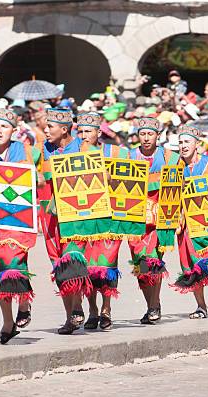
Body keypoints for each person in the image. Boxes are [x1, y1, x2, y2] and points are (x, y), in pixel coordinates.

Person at [0, 108, 41, 343]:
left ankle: (23, 302)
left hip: (19, 219)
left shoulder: (29, 151)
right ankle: (8, 322)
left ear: (14, 131)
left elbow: (47, 172)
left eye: (4, 126)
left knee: (13, 262)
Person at [39, 108, 93, 335]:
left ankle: (78, 307)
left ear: (64, 129)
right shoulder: (41, 151)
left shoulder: (85, 148)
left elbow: (105, 177)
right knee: (58, 264)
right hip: (50, 216)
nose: (45, 130)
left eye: (49, 126)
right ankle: (70, 316)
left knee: (72, 259)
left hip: (76, 216)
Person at [170, 125, 208, 318]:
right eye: (180, 142)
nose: (183, 146)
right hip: (185, 222)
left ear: (197, 144)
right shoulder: (174, 167)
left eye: (187, 142)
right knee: (193, 265)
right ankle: (201, 306)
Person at [128, 117, 180, 324]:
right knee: (140, 266)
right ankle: (152, 304)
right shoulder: (130, 156)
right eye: (143, 134)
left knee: (154, 261)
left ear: (158, 136)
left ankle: (153, 305)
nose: (146, 138)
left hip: (161, 220)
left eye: (150, 134)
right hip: (135, 219)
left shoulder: (170, 158)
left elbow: (178, 188)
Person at [76, 112, 122, 331]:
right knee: (87, 267)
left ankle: (106, 309)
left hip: (109, 218)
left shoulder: (114, 152)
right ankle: (92, 310)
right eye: (81, 131)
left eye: (89, 131)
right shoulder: (72, 154)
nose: (84, 136)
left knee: (106, 265)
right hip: (84, 219)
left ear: (98, 132)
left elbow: (125, 183)